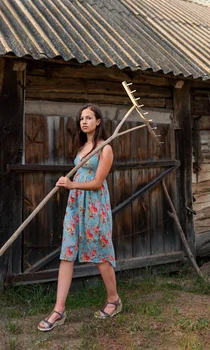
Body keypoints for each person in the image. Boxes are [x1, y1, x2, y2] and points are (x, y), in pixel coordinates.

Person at [38, 104, 122, 332]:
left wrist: (72, 183)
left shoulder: (105, 148)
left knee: (99, 253)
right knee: (67, 252)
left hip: (95, 206)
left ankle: (113, 299)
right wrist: (67, 183)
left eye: (89, 118)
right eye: (81, 118)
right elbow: (80, 174)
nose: (84, 121)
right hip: (75, 206)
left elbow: (96, 183)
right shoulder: (82, 147)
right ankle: (59, 309)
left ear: (98, 122)